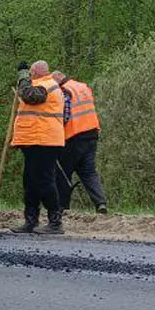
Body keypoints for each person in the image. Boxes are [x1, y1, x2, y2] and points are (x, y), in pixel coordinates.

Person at [11, 61, 65, 234]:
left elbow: (29, 96)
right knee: (30, 182)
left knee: (45, 181)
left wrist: (22, 76)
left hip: (45, 140)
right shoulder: (40, 85)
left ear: (36, 72)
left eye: (31, 73)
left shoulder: (47, 85)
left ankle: (55, 222)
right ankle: (30, 220)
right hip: (34, 139)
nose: (30, 75)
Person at [52, 71, 107, 214]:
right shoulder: (82, 86)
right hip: (92, 133)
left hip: (74, 135)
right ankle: (100, 203)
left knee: (64, 173)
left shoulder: (63, 90)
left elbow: (65, 114)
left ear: (58, 80)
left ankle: (63, 207)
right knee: (89, 172)